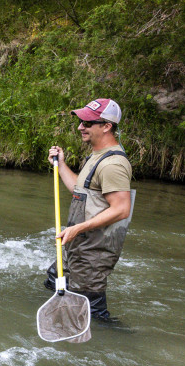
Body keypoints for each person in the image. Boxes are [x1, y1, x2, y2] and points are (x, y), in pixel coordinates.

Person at [44, 98, 134, 323]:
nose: (80, 127)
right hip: (77, 245)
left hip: (93, 252)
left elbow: (122, 209)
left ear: (106, 126)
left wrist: (79, 228)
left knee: (92, 314)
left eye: (87, 122)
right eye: (81, 121)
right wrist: (61, 164)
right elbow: (79, 190)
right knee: (53, 280)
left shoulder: (113, 164)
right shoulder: (96, 156)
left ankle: (118, 344)